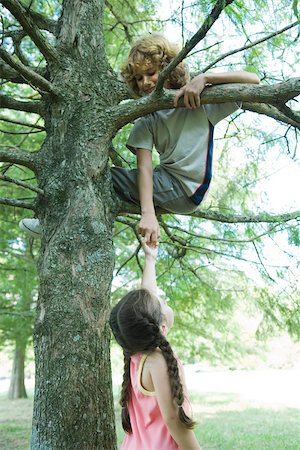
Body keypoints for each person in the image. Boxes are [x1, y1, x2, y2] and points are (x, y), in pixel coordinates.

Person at [19, 33, 260, 241]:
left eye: (151, 73)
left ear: (168, 67)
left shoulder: (199, 102)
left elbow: (253, 81)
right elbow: (143, 167)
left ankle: (54, 221)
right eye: (138, 78)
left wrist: (204, 79)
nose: (145, 82)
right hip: (164, 182)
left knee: (98, 176)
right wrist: (148, 211)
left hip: (186, 188)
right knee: (94, 173)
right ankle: (64, 222)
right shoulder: (147, 121)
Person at [109, 240, 201, 450]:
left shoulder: (137, 353)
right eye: (163, 303)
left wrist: (150, 258)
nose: (164, 301)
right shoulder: (158, 361)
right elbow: (172, 418)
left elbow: (147, 294)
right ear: (161, 327)